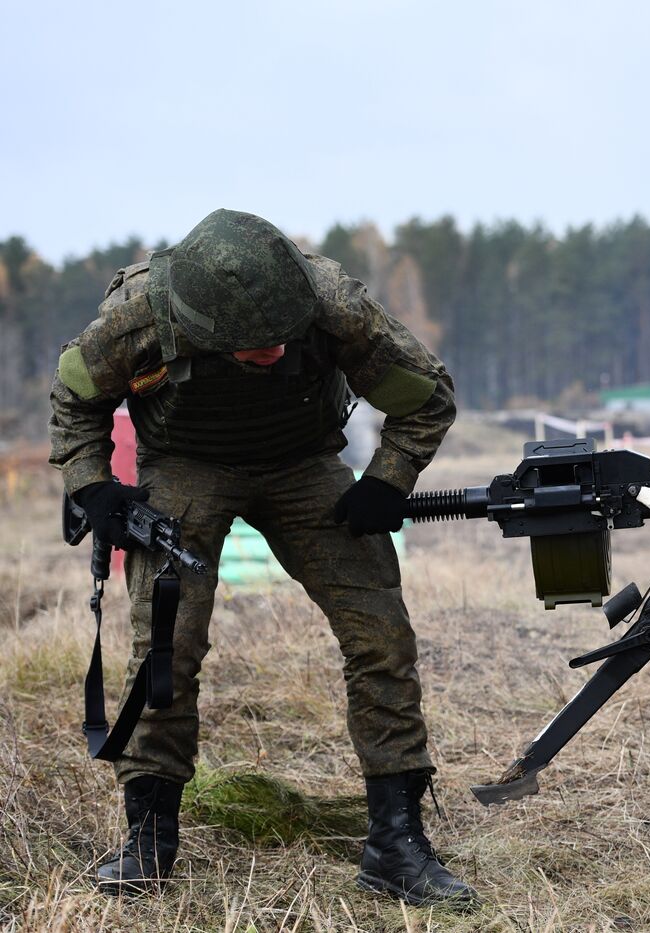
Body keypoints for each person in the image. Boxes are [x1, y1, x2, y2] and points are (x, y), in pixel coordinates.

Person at [50, 209, 477, 907]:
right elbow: (74, 398)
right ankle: (147, 840)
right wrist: (94, 486)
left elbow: (426, 396)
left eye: (284, 336)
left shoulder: (334, 305)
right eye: (255, 344)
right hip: (186, 462)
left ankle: (396, 845)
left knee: (380, 630)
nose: (276, 349)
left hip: (302, 461)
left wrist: (386, 480)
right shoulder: (140, 318)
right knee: (167, 641)